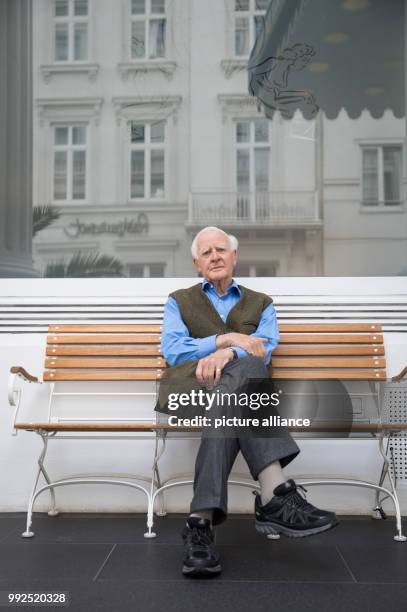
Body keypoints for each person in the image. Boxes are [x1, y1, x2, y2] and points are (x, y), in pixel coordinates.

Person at [158, 226, 338, 577]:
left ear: (235, 256)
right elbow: (174, 351)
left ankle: (199, 524)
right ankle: (275, 493)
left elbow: (264, 347)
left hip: (235, 399)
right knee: (248, 371)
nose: (215, 256)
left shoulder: (262, 303)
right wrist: (227, 339)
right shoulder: (177, 300)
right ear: (197, 262)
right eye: (206, 252)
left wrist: (226, 357)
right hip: (189, 392)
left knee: (247, 373)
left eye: (221, 249)